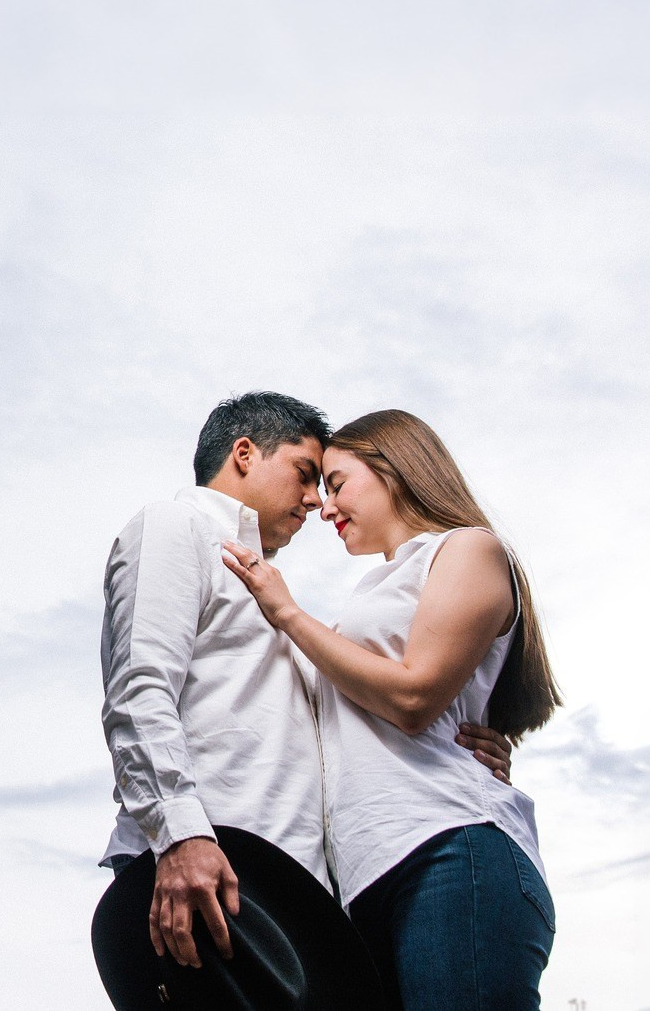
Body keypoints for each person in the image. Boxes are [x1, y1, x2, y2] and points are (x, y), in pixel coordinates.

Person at [94, 393, 513, 1010]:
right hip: (207, 877)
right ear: (243, 454)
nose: (318, 500)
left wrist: (463, 746)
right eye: (306, 473)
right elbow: (138, 691)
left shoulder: (269, 589)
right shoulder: (175, 526)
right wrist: (180, 836)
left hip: (295, 902)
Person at [221, 409, 560, 1010]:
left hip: (450, 854)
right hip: (364, 882)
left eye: (336, 483)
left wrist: (288, 613)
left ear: (394, 469)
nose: (324, 507)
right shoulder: (375, 590)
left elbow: (412, 697)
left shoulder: (467, 549)